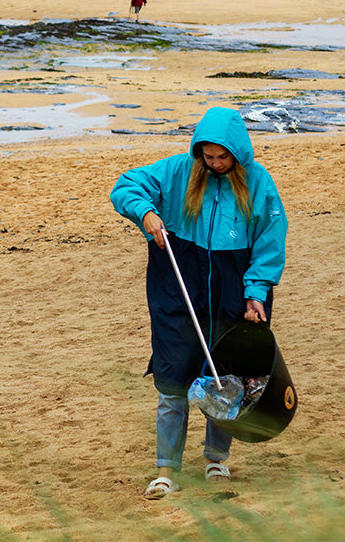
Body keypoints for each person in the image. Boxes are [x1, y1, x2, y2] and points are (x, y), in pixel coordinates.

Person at [110, 106, 288, 500]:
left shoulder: (259, 183)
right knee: (173, 381)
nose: (215, 164)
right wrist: (146, 213)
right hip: (177, 288)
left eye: (222, 157)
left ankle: (216, 459)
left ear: (238, 153)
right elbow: (125, 186)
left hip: (232, 293)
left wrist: (257, 290)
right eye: (207, 157)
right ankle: (165, 469)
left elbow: (271, 241)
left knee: (224, 380)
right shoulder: (177, 171)